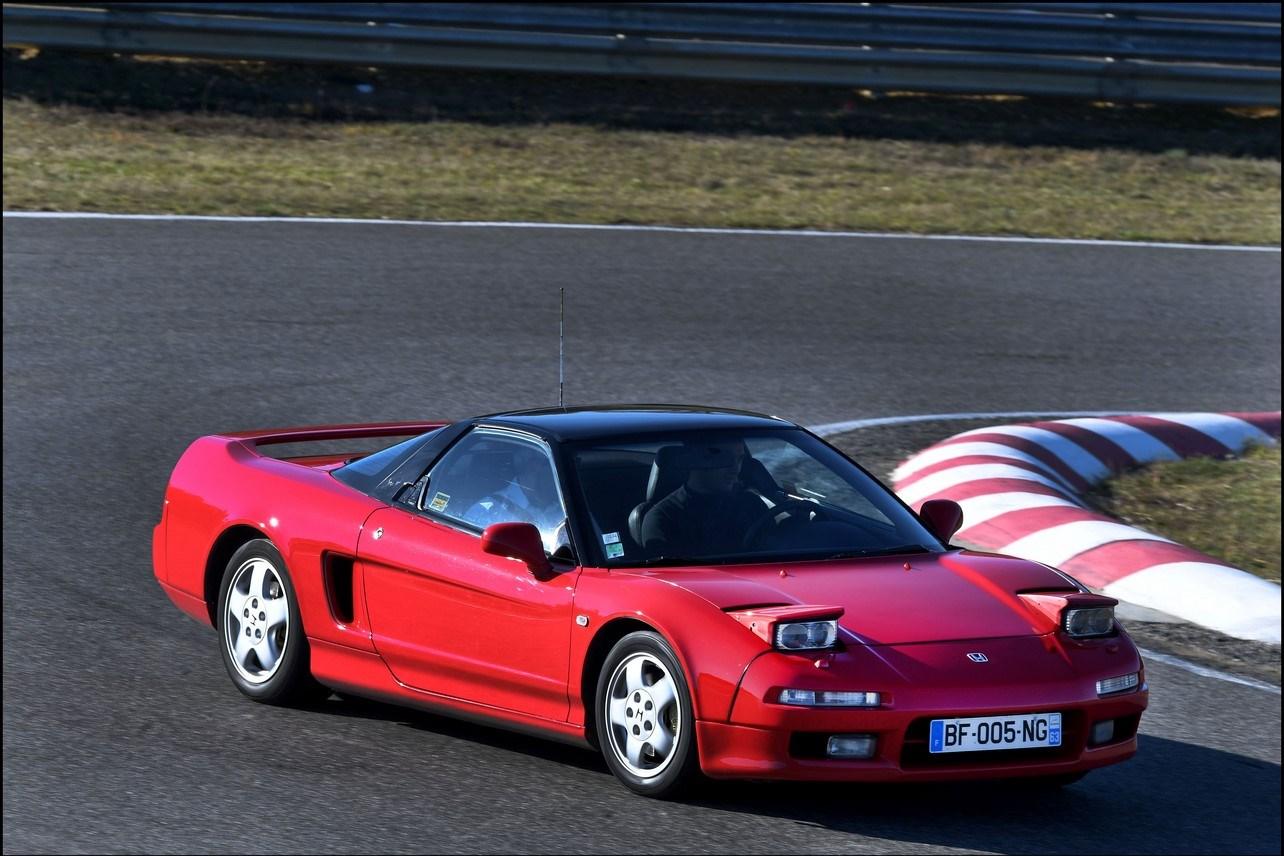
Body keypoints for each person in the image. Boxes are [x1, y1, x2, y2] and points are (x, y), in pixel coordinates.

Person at [639, 440, 774, 557]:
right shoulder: (662, 518)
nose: (736, 469)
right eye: (725, 458)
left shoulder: (752, 504)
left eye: (739, 459)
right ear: (697, 459)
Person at [462, 447, 569, 555]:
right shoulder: (490, 510)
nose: (562, 475)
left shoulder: (565, 507)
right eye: (553, 467)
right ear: (534, 466)